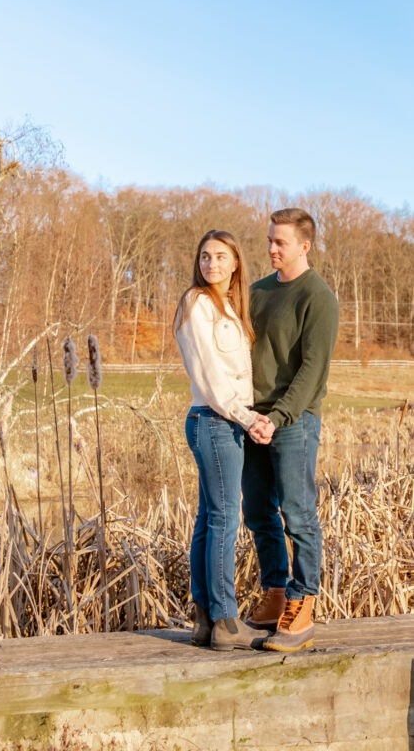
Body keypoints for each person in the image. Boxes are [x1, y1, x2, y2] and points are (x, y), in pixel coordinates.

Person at [243, 208, 339, 652]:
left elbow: (312, 371)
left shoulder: (318, 297)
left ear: (305, 245)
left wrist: (277, 417)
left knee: (298, 515)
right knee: (258, 512)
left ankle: (302, 606)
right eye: (269, 240)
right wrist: (248, 414)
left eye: (280, 242)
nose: (271, 249)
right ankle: (277, 591)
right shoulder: (258, 291)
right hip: (252, 418)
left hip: (295, 422)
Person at [174, 229, 274, 651]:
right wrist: (249, 418)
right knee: (223, 520)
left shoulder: (230, 307)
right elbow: (212, 379)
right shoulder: (197, 304)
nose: (211, 264)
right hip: (216, 420)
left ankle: (205, 619)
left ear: (235, 263)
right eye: (204, 257)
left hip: (219, 422)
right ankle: (226, 621)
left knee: (209, 519)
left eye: (220, 257)